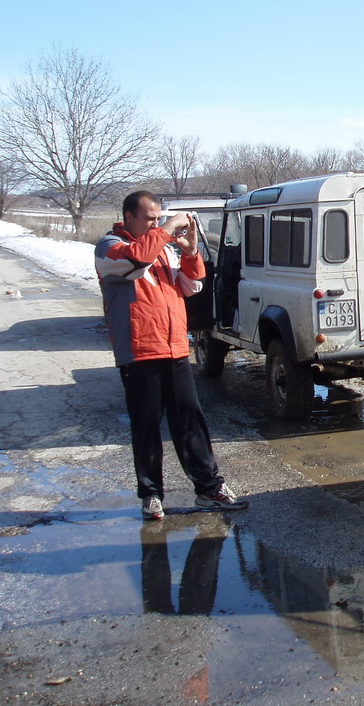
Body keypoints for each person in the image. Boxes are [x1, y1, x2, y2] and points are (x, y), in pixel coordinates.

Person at [96, 190, 248, 520]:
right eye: (150, 219)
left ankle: (209, 488)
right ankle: (151, 494)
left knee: (190, 420)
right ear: (128, 217)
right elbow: (137, 260)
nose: (156, 224)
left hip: (174, 348)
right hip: (140, 351)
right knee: (147, 425)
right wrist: (167, 228)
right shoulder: (110, 248)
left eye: (158, 218)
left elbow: (192, 286)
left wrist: (191, 252)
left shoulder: (162, 249)